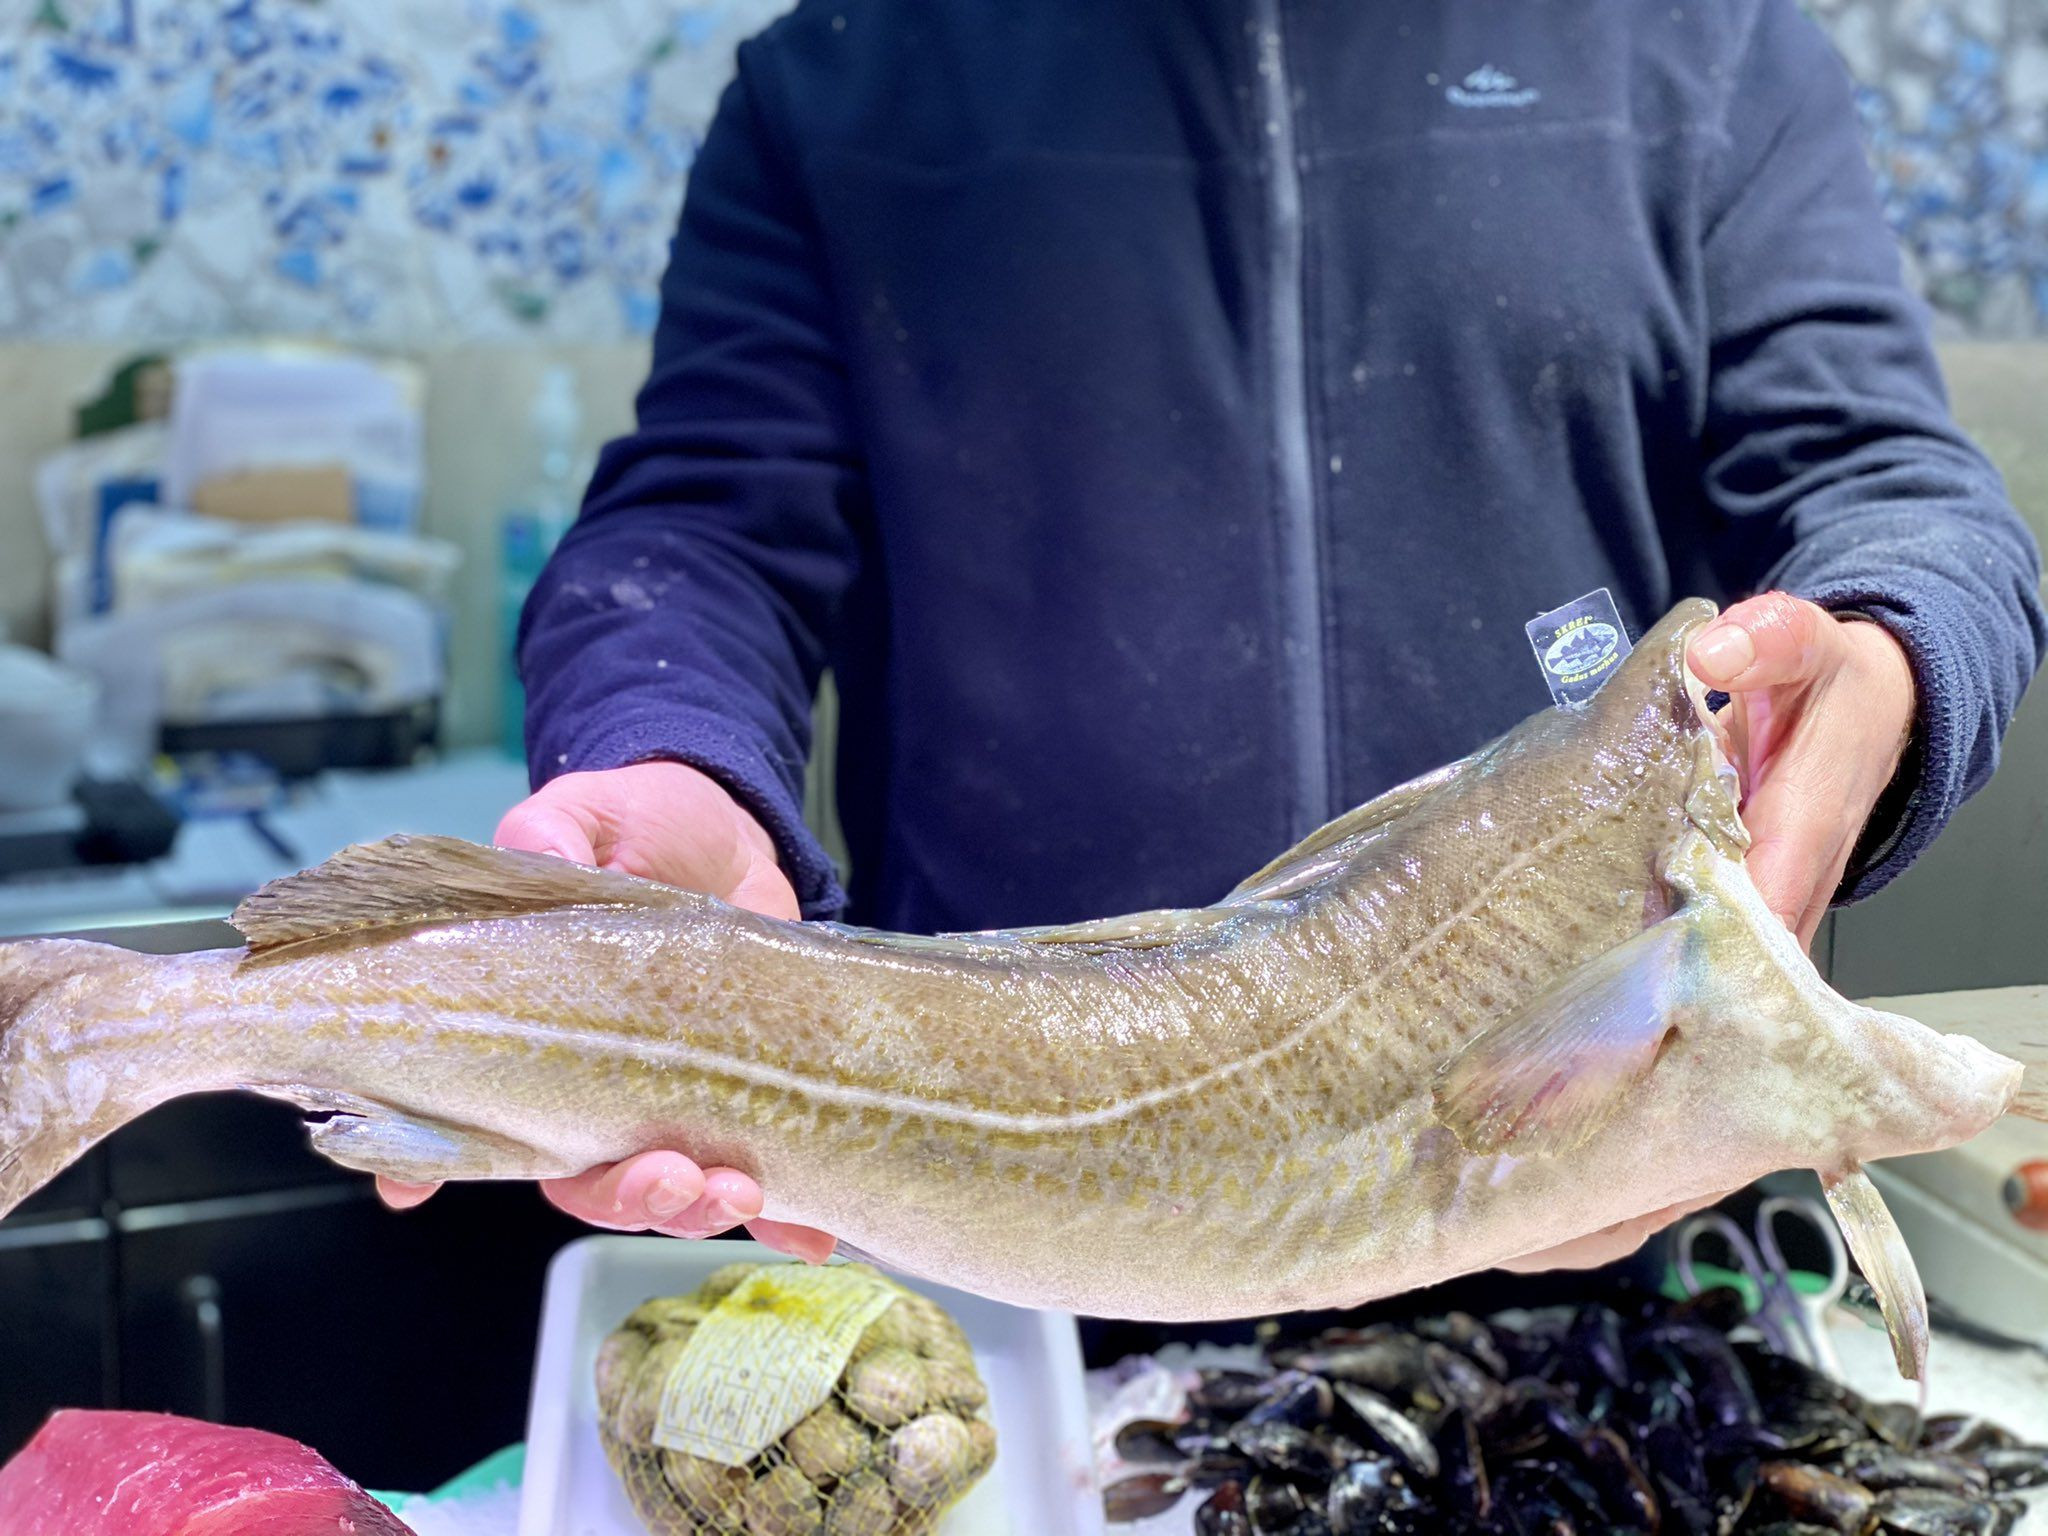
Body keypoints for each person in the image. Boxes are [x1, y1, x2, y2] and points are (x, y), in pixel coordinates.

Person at [386, 0, 2045, 1276]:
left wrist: (1890, 656)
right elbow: (705, 521)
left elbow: (1897, 492)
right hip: (1013, 1216)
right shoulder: (839, 81)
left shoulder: (1702, 44)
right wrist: (666, 747)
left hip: (1610, 1180)